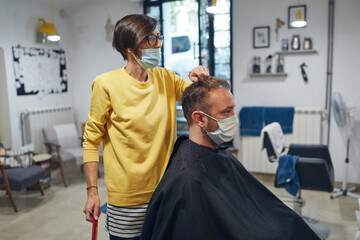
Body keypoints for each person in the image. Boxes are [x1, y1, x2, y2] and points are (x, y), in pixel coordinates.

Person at [139, 77, 320, 240]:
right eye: (226, 112)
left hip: (256, 227)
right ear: (200, 119)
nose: (234, 118)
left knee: (290, 224)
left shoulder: (220, 155)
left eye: (233, 110)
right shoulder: (186, 180)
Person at [82, 14, 209, 240]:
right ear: (129, 47)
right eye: (150, 38)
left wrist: (200, 77)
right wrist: (92, 192)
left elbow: (199, 98)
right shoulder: (106, 84)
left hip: (165, 192)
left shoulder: (166, 78)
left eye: (159, 37)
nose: (158, 43)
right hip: (126, 199)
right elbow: (91, 141)